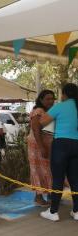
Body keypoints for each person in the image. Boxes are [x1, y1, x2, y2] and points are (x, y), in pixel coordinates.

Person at [40, 83, 78, 221]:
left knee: (58, 178)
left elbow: (42, 122)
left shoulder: (60, 106)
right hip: (76, 144)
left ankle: (53, 212)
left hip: (61, 144)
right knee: (75, 179)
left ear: (65, 94)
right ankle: (77, 211)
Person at [27, 90, 55, 206]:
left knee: (48, 170)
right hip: (38, 146)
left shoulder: (48, 111)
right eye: (48, 99)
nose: (51, 101)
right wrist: (42, 147)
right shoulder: (38, 111)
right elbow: (36, 130)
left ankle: (50, 195)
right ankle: (38, 197)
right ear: (41, 100)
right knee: (39, 171)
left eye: (52, 98)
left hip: (47, 145)